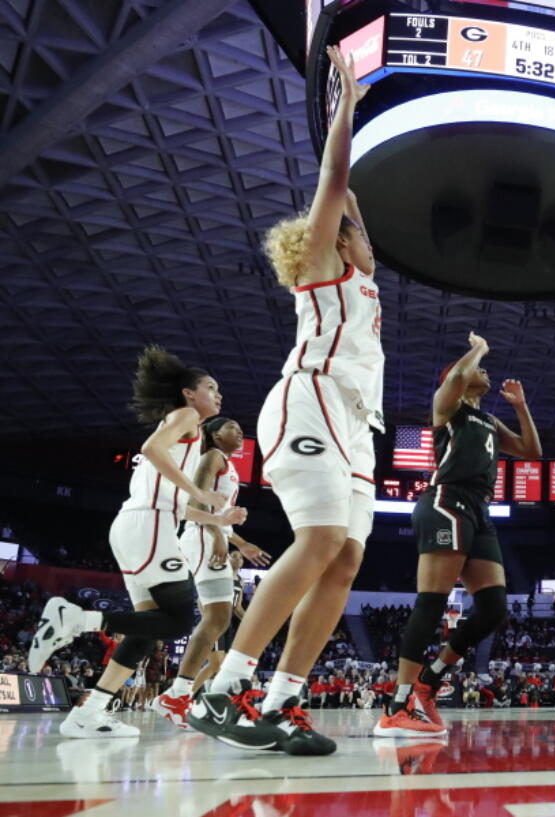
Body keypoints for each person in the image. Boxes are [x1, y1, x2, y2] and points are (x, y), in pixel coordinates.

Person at [187, 47, 382, 757]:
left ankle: (281, 699)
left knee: (346, 559)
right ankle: (221, 688)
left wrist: (357, 177)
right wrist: (344, 107)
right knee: (322, 539)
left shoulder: (364, 278)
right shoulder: (326, 268)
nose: (365, 236)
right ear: (335, 241)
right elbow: (335, 179)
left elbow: (352, 193)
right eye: (354, 229)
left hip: (356, 422)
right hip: (310, 401)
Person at [28, 346, 246, 738]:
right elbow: (151, 451)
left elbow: (176, 503)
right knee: (179, 619)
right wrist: (206, 495)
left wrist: (218, 517)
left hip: (140, 524)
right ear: (188, 393)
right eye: (211, 387)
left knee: (147, 630)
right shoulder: (187, 418)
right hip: (150, 527)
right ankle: (76, 620)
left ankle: (88, 713)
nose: (219, 395)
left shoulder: (186, 431)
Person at [374, 331, 541, 739]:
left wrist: (521, 407)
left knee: (494, 608)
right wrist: (480, 347)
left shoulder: (488, 419)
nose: (485, 371)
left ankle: (430, 679)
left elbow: (531, 452)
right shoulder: (449, 408)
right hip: (446, 500)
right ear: (460, 378)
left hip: (479, 509)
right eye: (476, 369)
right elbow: (453, 382)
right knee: (431, 603)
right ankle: (396, 706)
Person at [155, 417, 271, 728]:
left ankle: (178, 694)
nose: (239, 430)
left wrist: (241, 542)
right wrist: (219, 534)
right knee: (217, 617)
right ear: (214, 434)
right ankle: (177, 694)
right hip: (202, 535)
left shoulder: (228, 465)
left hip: (208, 533)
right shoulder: (212, 457)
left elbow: (217, 514)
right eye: (232, 426)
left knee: (218, 618)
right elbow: (196, 501)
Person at [192, 551, 249, 695]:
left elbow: (238, 608)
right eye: (235, 555)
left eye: (241, 557)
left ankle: (213, 697)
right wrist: (208, 619)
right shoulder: (220, 574)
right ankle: (185, 695)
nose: (239, 558)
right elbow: (201, 599)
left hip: (227, 624)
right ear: (228, 559)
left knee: (222, 667)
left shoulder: (240, 581)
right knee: (215, 664)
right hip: (214, 621)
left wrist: (253, 621)